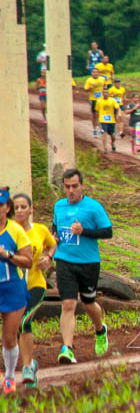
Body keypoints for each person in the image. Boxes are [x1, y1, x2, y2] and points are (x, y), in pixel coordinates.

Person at [51, 169, 112, 365]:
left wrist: (83, 231)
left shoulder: (93, 207)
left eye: (74, 186)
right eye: (67, 187)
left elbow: (108, 232)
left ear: (82, 186)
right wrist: (54, 238)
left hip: (88, 263)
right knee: (68, 304)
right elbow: (55, 227)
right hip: (64, 261)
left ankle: (100, 330)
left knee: (88, 303)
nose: (70, 190)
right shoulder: (58, 206)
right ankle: (67, 349)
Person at [13, 194, 55, 388]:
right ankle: (29, 363)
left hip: (36, 284)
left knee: (24, 321)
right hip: (14, 287)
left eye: (24, 207)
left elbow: (52, 243)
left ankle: (27, 367)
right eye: (17, 207)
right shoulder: (8, 232)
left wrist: (48, 257)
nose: (20, 210)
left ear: (31, 209)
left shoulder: (40, 230)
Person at [0, 188, 32, 394]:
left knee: (9, 338)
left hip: (13, 290)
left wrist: (7, 254)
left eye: (1, 206)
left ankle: (10, 376)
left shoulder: (15, 230)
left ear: (7, 207)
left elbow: (28, 261)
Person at [94, 85, 121, 153]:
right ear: (102, 94)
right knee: (104, 133)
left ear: (109, 94)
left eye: (106, 92)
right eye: (104, 92)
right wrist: (97, 121)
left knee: (113, 135)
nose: (105, 94)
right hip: (102, 120)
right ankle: (105, 148)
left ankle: (112, 142)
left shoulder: (112, 100)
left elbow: (117, 108)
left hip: (111, 120)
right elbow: (96, 111)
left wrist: (118, 114)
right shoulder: (99, 101)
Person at [83, 68, 106, 137]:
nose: (95, 73)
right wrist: (91, 87)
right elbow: (85, 90)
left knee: (101, 113)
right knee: (94, 115)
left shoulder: (102, 79)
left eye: (96, 72)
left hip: (101, 99)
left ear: (98, 73)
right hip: (93, 99)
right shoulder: (89, 80)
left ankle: (101, 127)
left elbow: (105, 86)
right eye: (94, 72)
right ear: (92, 73)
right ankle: (95, 129)